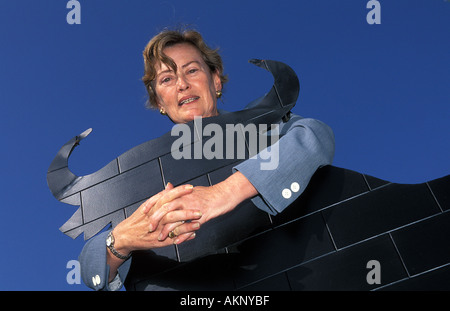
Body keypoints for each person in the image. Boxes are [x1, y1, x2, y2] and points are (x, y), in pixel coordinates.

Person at [79, 28, 335, 291]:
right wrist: (118, 242)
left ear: (216, 81)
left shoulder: (263, 130)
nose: (182, 84)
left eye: (191, 71)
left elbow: (314, 136)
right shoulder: (139, 172)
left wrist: (223, 193)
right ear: (160, 102)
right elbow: (91, 270)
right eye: (167, 79)